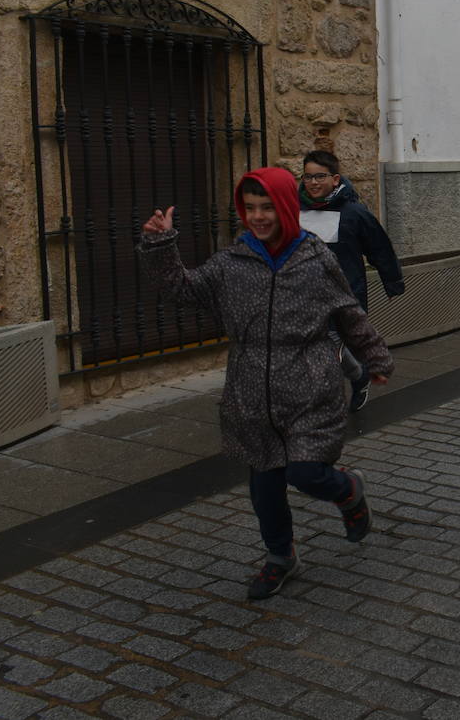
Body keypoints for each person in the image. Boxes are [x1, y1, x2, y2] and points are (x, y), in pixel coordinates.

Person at [139, 167, 393, 600]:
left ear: (286, 207)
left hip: (311, 386)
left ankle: (349, 490)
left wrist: (374, 357)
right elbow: (183, 289)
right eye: (250, 208)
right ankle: (281, 557)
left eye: (267, 207)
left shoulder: (316, 260)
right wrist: (162, 244)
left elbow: (348, 313)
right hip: (251, 393)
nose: (258, 216)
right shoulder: (230, 264)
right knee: (266, 489)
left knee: (307, 472)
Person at [299, 150, 405, 412]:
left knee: (330, 344)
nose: (313, 183)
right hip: (304, 295)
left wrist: (392, 283)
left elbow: (379, 248)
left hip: (344, 295)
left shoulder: (354, 213)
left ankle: (332, 394)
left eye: (319, 177)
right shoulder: (295, 211)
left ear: (335, 179)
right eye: (308, 177)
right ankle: (358, 377)